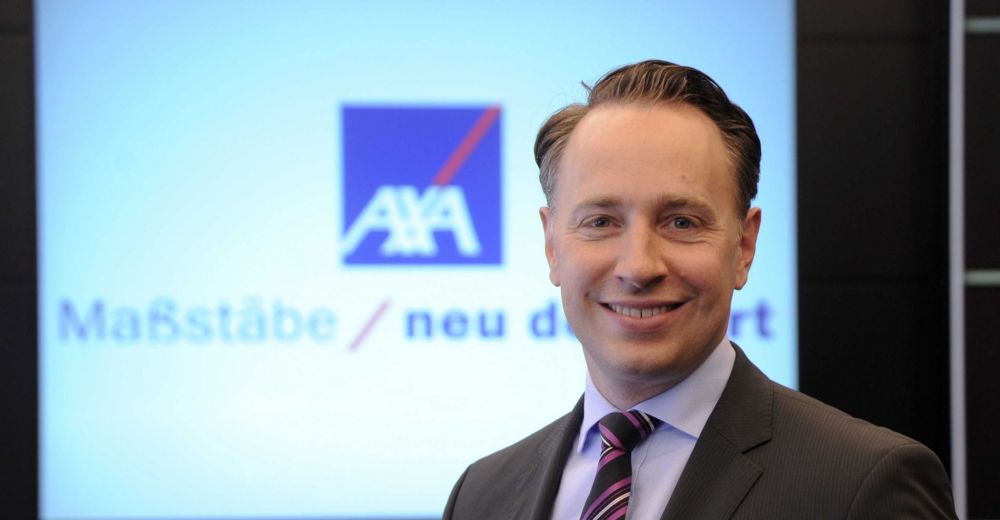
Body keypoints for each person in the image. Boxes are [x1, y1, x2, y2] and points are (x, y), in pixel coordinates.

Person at [442, 60, 958, 519]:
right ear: (552, 244)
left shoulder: (864, 484)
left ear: (744, 246)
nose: (638, 267)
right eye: (601, 222)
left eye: (682, 222)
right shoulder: (481, 495)